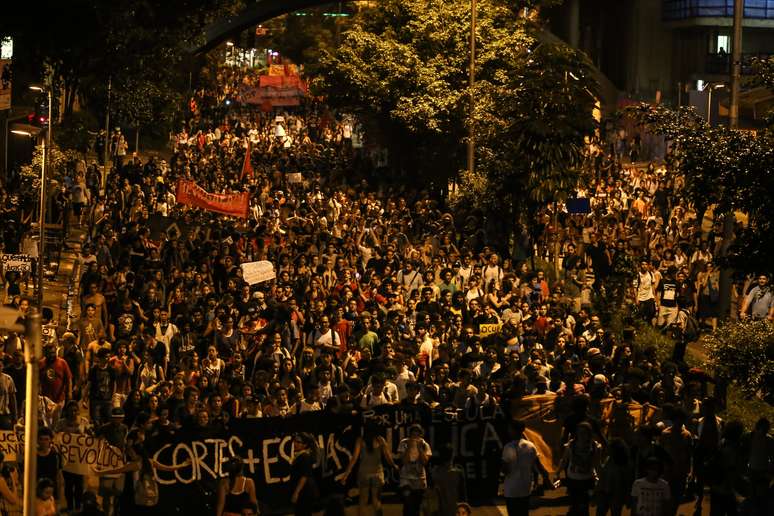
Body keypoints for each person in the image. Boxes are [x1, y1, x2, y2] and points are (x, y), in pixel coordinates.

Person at [341, 425, 397, 516]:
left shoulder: (360, 440)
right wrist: (394, 466)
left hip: (364, 474)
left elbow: (354, 458)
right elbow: (388, 457)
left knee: (363, 501)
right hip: (378, 474)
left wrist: (346, 475)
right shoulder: (380, 440)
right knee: (376, 500)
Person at [501, 420, 551, 516]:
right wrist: (547, 480)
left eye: (510, 429)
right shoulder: (531, 446)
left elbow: (505, 470)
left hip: (512, 489)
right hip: (525, 488)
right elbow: (539, 466)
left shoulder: (508, 447)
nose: (508, 431)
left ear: (513, 431)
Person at [397, 424, 432, 516]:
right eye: (413, 433)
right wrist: (409, 447)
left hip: (419, 479)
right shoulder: (404, 443)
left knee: (417, 505)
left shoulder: (425, 445)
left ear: (420, 434)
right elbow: (404, 461)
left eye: (417, 433)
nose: (415, 435)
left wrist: (420, 448)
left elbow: (425, 462)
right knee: (407, 503)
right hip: (406, 478)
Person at [290, 433, 319, 516]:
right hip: (303, 492)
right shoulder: (300, 456)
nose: (295, 444)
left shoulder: (304, 457)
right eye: (295, 441)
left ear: (305, 445)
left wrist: (296, 493)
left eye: (298, 442)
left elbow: (304, 476)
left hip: (305, 493)